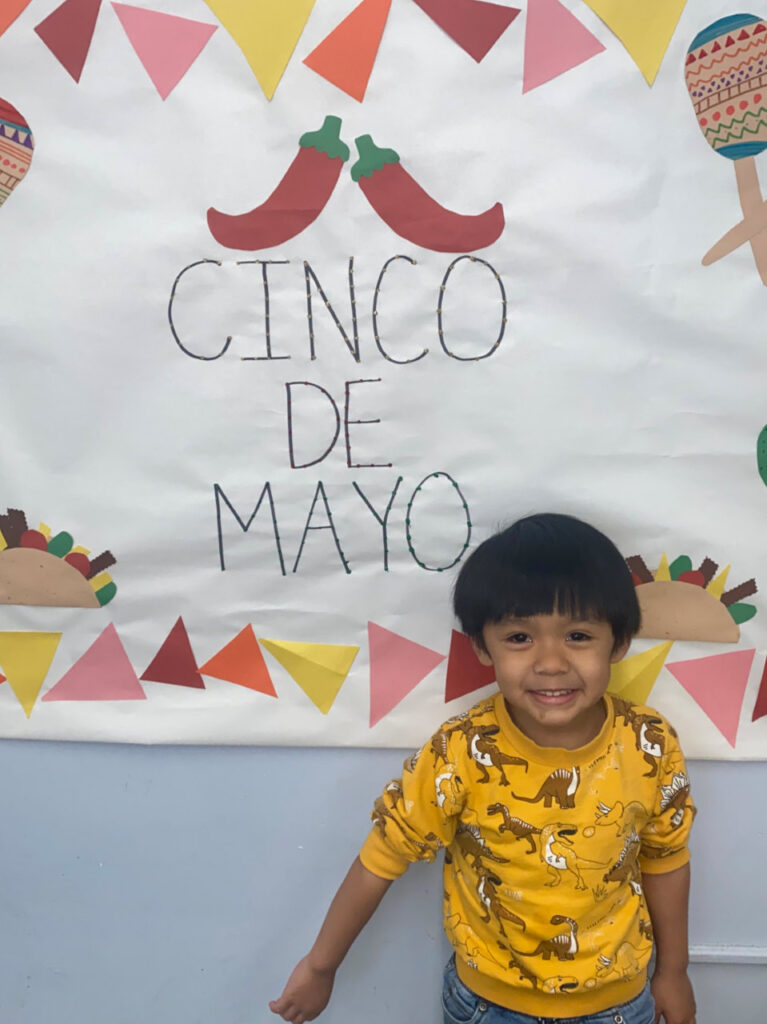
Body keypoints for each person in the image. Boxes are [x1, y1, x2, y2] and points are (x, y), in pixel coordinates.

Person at [269, 513, 697, 1024]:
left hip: (620, 1005)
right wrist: (321, 967)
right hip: (488, 1007)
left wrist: (674, 972)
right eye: (519, 638)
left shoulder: (649, 744)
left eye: (578, 636)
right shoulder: (459, 752)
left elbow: (666, 859)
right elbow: (380, 860)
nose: (551, 662)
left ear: (620, 643)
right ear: (481, 646)